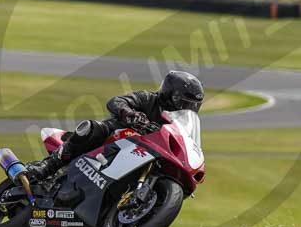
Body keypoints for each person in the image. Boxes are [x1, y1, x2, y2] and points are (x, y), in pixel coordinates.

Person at [27, 70, 204, 182]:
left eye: (192, 105)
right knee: (92, 128)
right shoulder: (148, 99)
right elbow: (116, 101)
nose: (187, 108)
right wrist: (130, 114)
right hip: (116, 137)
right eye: (183, 102)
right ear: (171, 95)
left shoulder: (178, 123)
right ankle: (48, 166)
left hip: (143, 154)